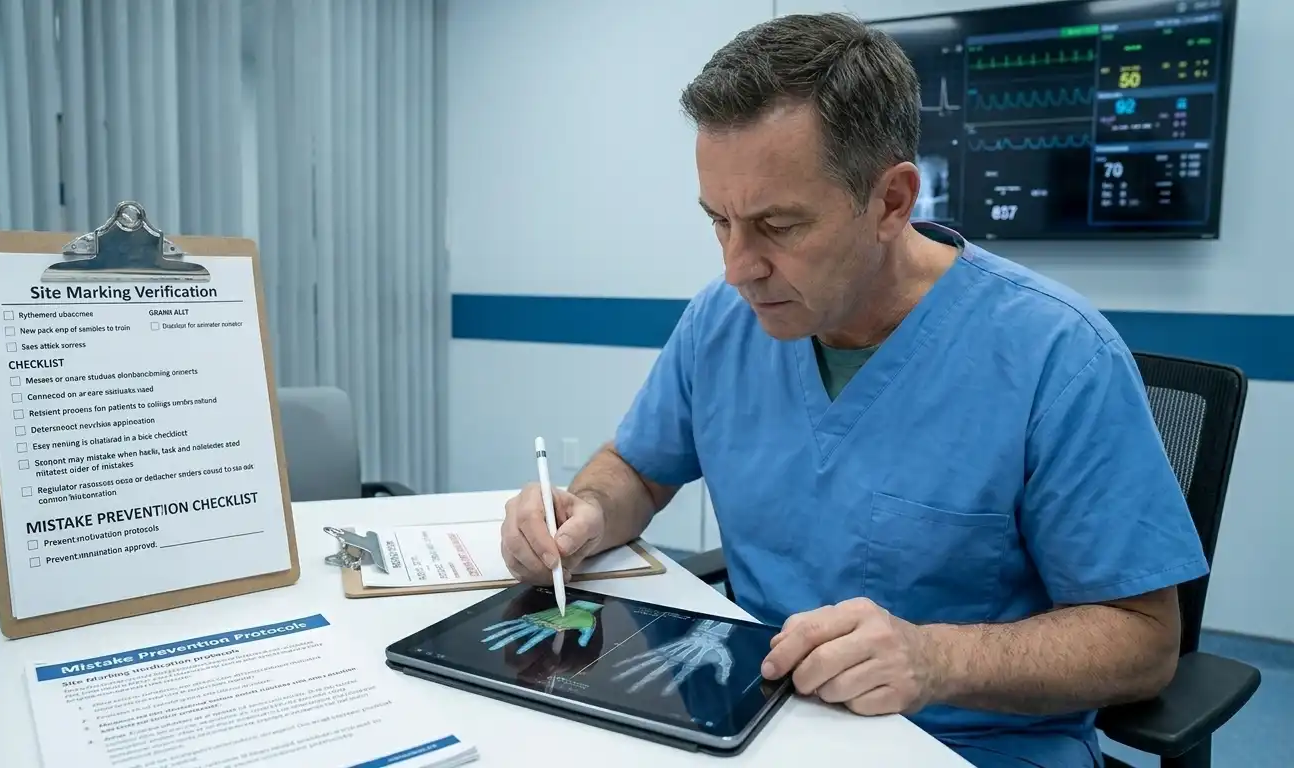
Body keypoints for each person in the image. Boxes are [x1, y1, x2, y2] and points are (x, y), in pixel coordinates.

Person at [497, 12, 1209, 768]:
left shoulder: (1056, 355)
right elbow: (638, 469)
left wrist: (935, 660)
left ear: (892, 202)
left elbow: (1143, 640)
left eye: (778, 225)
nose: (738, 268)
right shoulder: (721, 323)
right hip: (753, 718)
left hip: (965, 743)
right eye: (719, 221)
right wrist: (586, 512)